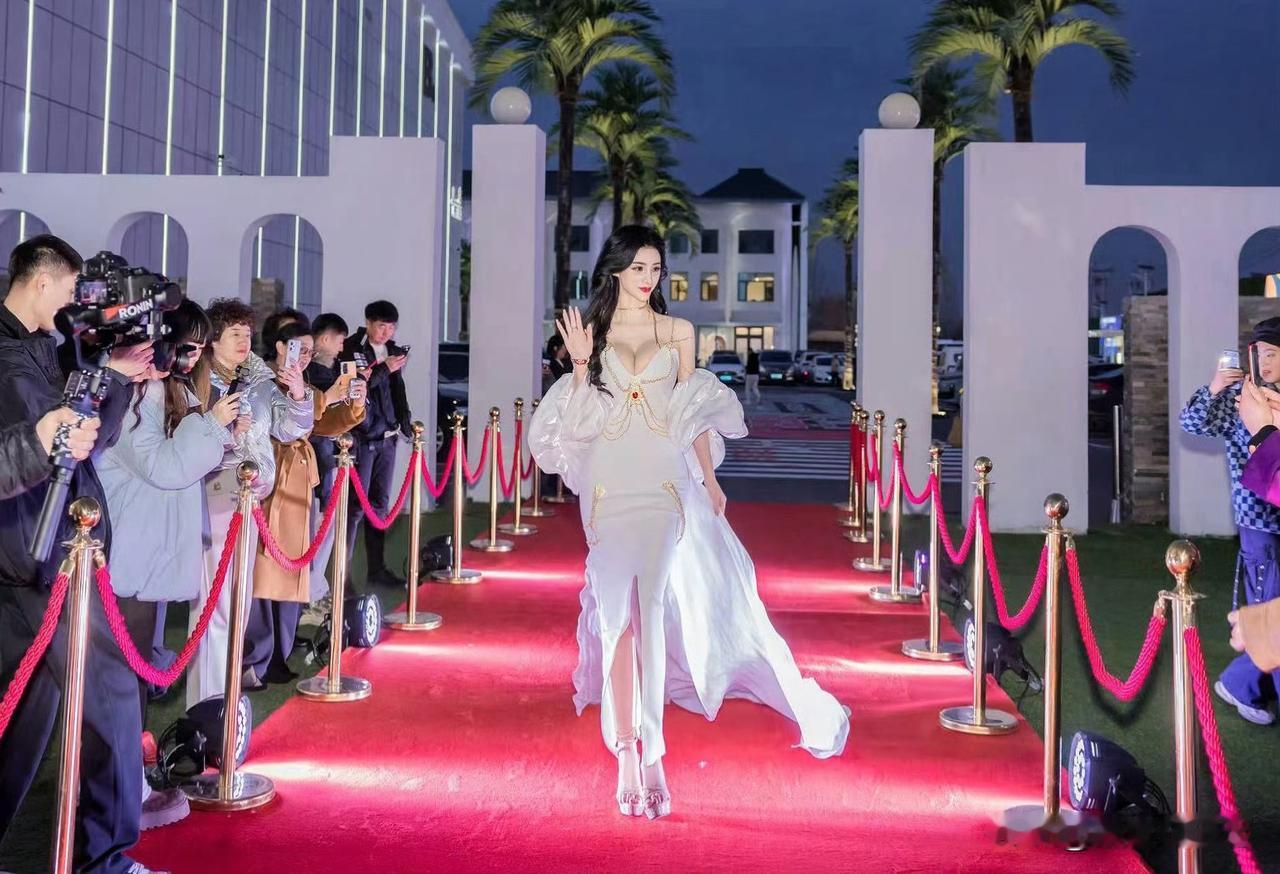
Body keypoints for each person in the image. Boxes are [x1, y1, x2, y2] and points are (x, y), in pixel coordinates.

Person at [528, 225, 849, 821]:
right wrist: (579, 365)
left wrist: (710, 479)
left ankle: (653, 752)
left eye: (655, 267)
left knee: (650, 612)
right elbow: (577, 424)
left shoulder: (678, 332)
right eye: (638, 267)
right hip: (608, 485)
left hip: (663, 485)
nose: (648, 277)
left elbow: (691, 410)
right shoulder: (592, 330)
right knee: (617, 619)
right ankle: (626, 751)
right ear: (616, 269)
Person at [0, 235, 160, 873]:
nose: (76, 302)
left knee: (20, 723)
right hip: (43, 559)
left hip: (38, 560)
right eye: (71, 289)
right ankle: (106, 862)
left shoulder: (42, 347)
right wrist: (103, 383)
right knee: (111, 699)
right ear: (42, 281)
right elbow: (53, 446)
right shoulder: (11, 359)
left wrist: (112, 377)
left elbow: (86, 438)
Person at [97, 299, 239, 831]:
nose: (193, 357)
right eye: (188, 346)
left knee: (135, 675)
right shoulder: (134, 392)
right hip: (127, 556)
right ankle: (118, 793)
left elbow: (184, 463)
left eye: (199, 348)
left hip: (146, 555)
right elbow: (166, 466)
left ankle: (127, 784)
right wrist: (214, 425)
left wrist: (218, 429)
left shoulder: (163, 390)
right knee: (122, 680)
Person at [188, 298, 313, 705]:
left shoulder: (259, 381)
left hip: (250, 500)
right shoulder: (195, 381)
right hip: (214, 496)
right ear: (213, 340)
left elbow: (291, 428)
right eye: (234, 333)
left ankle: (226, 694)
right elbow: (186, 445)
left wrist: (298, 393)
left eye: (247, 333)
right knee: (214, 605)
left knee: (239, 603)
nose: (244, 341)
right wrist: (225, 431)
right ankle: (207, 703)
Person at [243, 321, 365, 686]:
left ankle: (279, 649)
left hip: (298, 480)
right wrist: (321, 397)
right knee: (264, 567)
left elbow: (323, 423)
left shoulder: (303, 384)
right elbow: (289, 424)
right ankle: (258, 655)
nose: (307, 356)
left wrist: (354, 402)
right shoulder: (261, 380)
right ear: (281, 346)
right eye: (300, 348)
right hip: (268, 479)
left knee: (293, 566)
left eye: (310, 350)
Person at [1180, 316, 1280, 725]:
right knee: (1268, 609)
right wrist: (1215, 387)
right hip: (1260, 521)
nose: (1265, 363)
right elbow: (1191, 423)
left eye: (1273, 354)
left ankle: (1240, 683)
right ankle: (1241, 684)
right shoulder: (1242, 396)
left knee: (1271, 613)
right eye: (1260, 355)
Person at [343, 300, 411, 589]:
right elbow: (355, 386)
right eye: (382, 326)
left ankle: (377, 569)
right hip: (363, 439)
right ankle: (343, 575)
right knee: (355, 508)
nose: (386, 332)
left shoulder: (393, 350)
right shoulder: (352, 348)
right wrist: (384, 368)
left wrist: (404, 422)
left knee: (380, 506)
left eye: (391, 327)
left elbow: (397, 391)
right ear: (368, 323)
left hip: (389, 438)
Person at [303, 313, 365, 609]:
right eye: (340, 340)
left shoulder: (327, 375)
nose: (342, 347)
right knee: (320, 526)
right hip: (317, 460)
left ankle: (315, 590)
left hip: (325, 459)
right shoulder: (314, 377)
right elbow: (320, 420)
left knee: (323, 525)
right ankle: (312, 592)